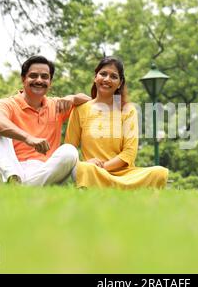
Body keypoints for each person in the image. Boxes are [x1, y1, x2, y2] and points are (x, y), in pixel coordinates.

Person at [0, 55, 91, 186]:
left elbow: (92, 104)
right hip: (10, 168)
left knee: (70, 150)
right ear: (23, 79)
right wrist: (28, 138)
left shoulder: (56, 105)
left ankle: (19, 189)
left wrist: (73, 98)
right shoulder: (9, 104)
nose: (39, 80)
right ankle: (13, 179)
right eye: (33, 76)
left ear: (50, 82)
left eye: (44, 77)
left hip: (44, 171)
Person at [64, 56, 168, 189]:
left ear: (119, 83)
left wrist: (103, 168)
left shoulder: (128, 110)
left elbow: (129, 154)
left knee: (159, 172)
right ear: (95, 77)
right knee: (85, 169)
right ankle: (120, 187)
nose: (107, 79)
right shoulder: (80, 109)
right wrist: (88, 164)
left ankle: (109, 185)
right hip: (93, 171)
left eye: (113, 76)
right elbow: (69, 150)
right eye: (103, 74)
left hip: (124, 174)